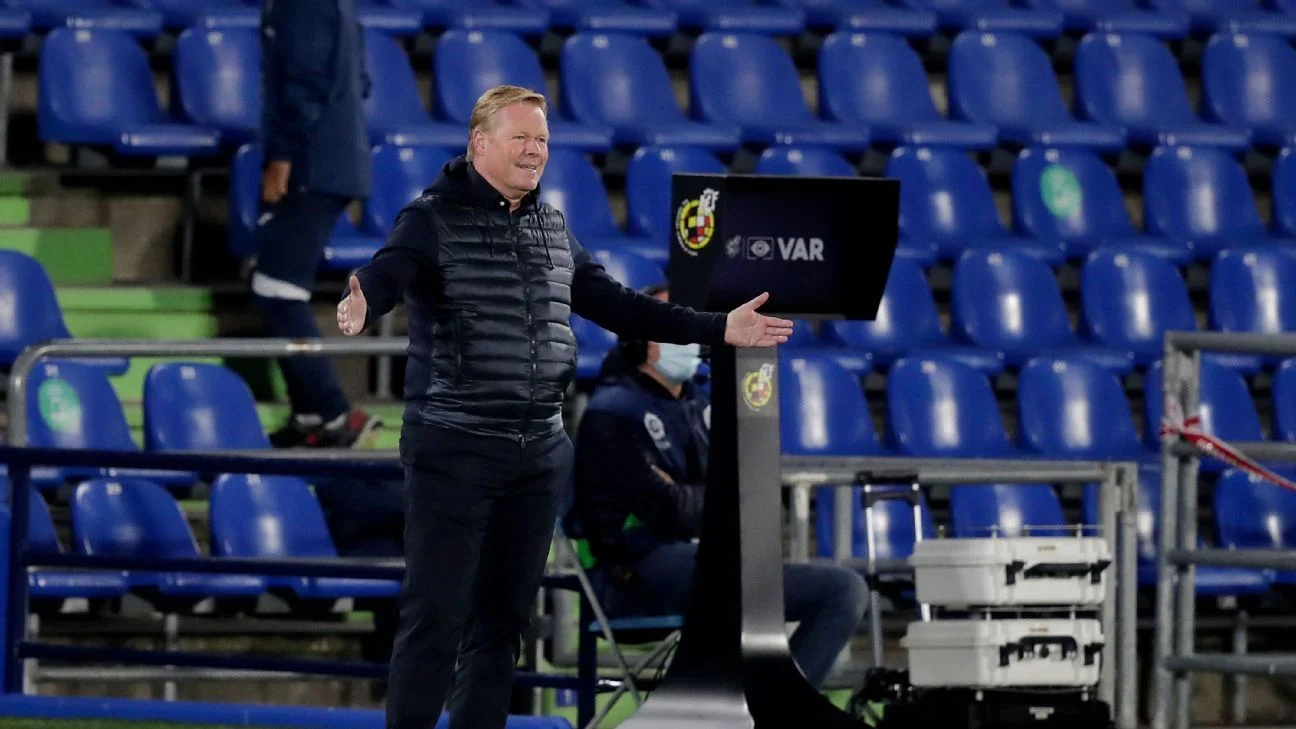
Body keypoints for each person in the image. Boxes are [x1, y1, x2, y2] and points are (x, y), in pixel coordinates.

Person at [333, 84, 795, 729]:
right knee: (435, 619)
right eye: (520, 137)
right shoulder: (429, 218)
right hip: (456, 448)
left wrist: (719, 328)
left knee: (503, 625)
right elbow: (389, 271)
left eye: (543, 140)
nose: (534, 151)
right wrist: (363, 297)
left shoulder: (552, 226)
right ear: (479, 144)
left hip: (539, 455)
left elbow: (621, 306)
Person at [567, 287, 870, 691]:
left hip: (705, 558)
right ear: (642, 343)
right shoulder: (612, 414)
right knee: (812, 586)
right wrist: (713, 497)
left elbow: (753, 495)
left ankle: (771, 704)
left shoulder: (703, 403)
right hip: (632, 575)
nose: (688, 337)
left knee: (844, 590)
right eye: (673, 325)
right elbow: (672, 512)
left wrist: (695, 495)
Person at [254, 0, 381, 449]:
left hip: (312, 163)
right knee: (276, 289)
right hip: (336, 158)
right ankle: (309, 415)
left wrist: (284, 154)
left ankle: (334, 413)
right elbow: (360, 80)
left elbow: (305, 80)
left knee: (277, 291)